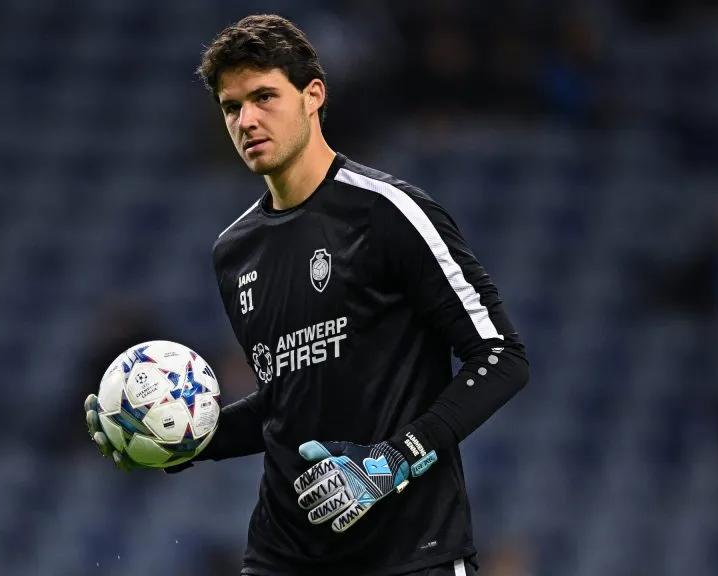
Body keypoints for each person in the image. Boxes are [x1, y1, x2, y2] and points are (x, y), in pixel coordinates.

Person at [85, 14, 529, 576]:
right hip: (283, 557)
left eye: (264, 97)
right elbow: (288, 404)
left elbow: (501, 357)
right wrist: (177, 436)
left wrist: (394, 460)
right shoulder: (235, 252)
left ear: (313, 96)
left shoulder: (388, 212)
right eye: (231, 106)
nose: (247, 120)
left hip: (408, 556)